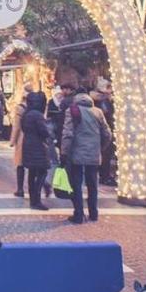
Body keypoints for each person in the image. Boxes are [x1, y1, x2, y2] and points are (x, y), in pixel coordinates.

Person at [60, 91, 112, 224]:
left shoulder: (72, 110)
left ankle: (78, 214)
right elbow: (107, 133)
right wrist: (100, 147)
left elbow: (68, 133)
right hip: (93, 153)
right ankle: (93, 213)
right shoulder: (98, 112)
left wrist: (64, 152)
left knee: (76, 184)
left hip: (76, 152)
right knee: (92, 183)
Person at [19, 91, 54, 211]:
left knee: (32, 173)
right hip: (38, 146)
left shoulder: (26, 114)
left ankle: (33, 199)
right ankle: (36, 200)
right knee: (42, 172)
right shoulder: (37, 115)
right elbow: (44, 132)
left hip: (28, 145)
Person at [10, 84, 32, 198]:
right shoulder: (36, 105)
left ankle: (20, 189)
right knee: (34, 165)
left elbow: (17, 126)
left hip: (22, 137)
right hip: (34, 137)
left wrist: (12, 141)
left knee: (20, 164)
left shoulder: (20, 108)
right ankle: (37, 188)